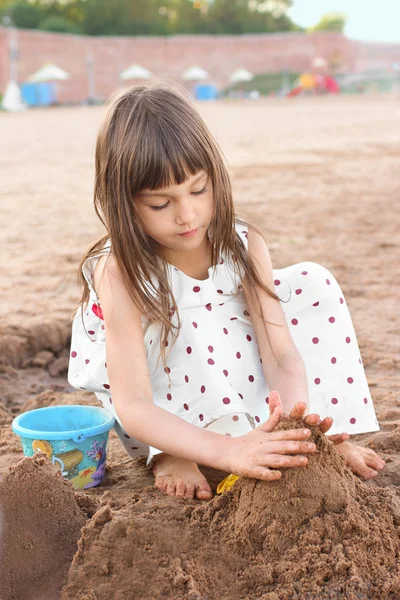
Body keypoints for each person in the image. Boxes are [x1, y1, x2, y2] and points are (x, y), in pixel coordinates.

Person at [68, 82, 384, 500]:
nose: (187, 215)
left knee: (311, 286)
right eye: (160, 205)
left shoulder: (244, 243)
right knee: (190, 323)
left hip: (227, 352)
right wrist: (229, 452)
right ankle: (175, 450)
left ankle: (310, 438)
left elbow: (279, 352)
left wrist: (293, 426)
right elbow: (134, 405)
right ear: (124, 203)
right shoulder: (120, 273)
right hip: (161, 382)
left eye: (198, 190)